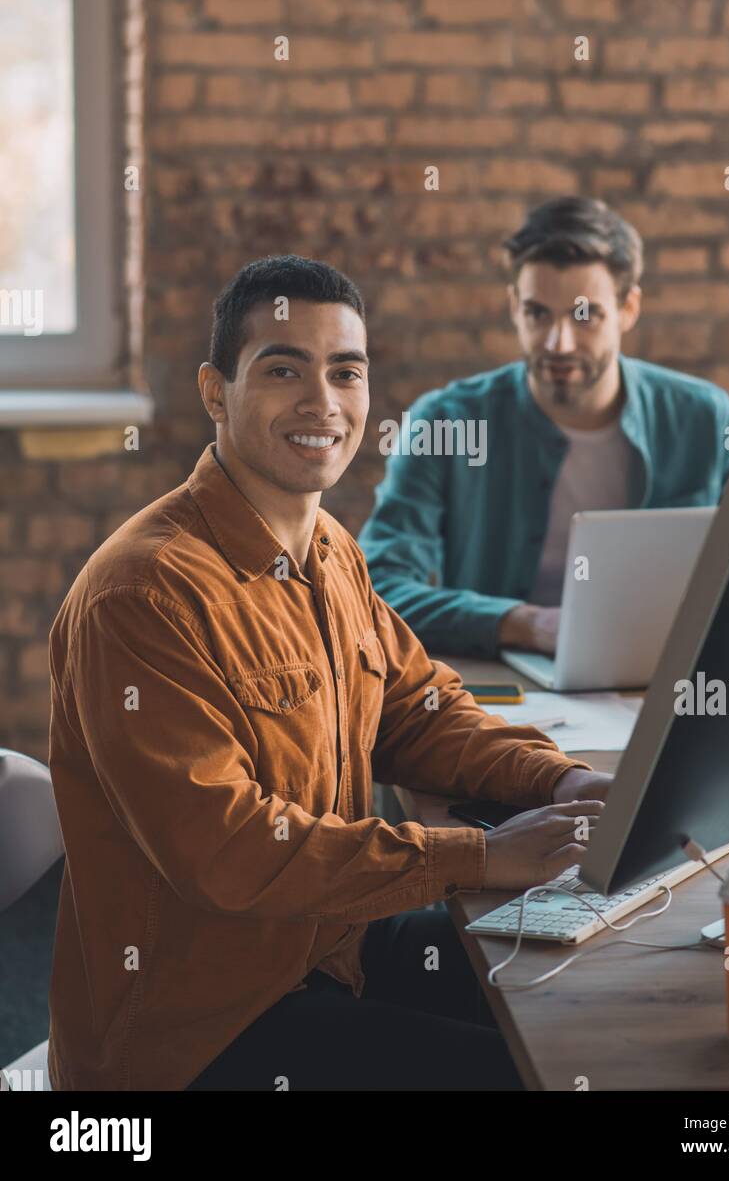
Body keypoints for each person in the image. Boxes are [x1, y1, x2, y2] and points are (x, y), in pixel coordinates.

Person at [47, 255, 611, 1093]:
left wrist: (556, 781)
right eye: (284, 369)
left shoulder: (329, 551)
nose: (322, 404)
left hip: (324, 944)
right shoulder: (143, 594)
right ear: (215, 392)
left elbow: (417, 709)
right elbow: (230, 851)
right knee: (521, 1073)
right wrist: (481, 857)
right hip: (193, 1034)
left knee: (569, 1017)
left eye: (346, 373)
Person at [359, 197, 729, 659]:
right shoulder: (445, 421)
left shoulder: (704, 419)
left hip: (663, 683)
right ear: (513, 307)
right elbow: (377, 588)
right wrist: (525, 625)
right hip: (505, 686)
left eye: (585, 316)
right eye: (538, 314)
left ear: (628, 309)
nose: (557, 343)